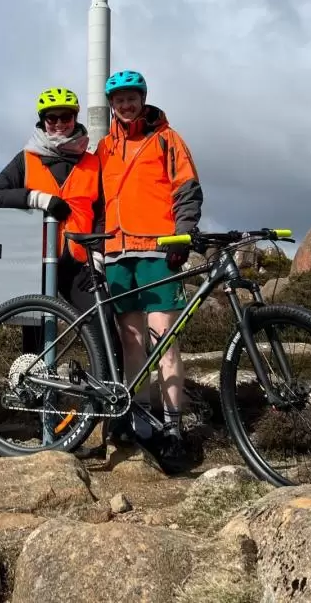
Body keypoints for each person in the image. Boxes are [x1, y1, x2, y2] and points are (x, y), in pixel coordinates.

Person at [95, 69, 202, 473]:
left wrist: (183, 235)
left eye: (131, 97)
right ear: (112, 105)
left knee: (164, 341)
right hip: (118, 252)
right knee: (132, 340)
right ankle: (139, 421)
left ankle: (174, 430)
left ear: (142, 98)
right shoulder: (105, 147)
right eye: (118, 99)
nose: (126, 104)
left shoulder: (167, 139)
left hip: (158, 252)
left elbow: (187, 189)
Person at [0, 86, 107, 357]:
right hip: (38, 260)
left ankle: (105, 395)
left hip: (80, 261)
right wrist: (39, 199)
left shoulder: (93, 162)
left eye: (66, 117)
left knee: (103, 324)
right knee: (35, 334)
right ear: (42, 121)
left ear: (75, 118)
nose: (59, 124)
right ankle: (33, 396)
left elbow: (102, 213)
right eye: (52, 118)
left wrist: (98, 257)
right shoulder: (27, 159)